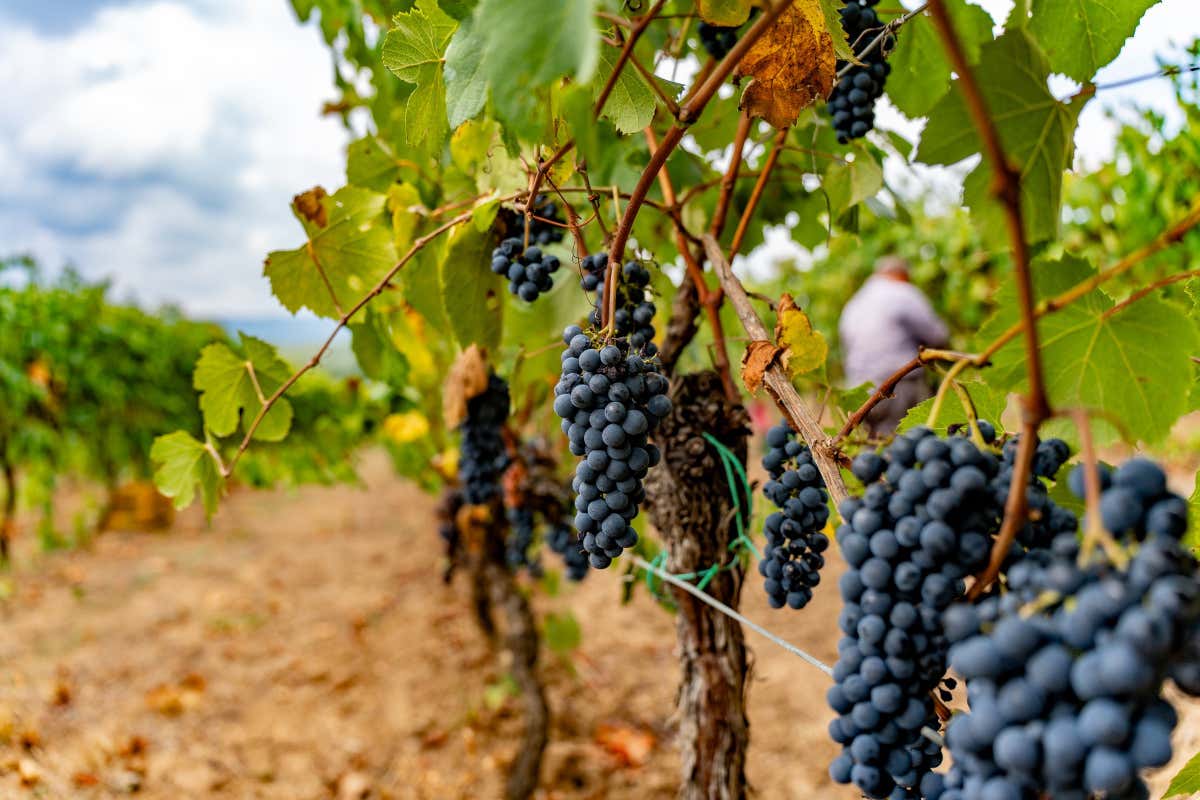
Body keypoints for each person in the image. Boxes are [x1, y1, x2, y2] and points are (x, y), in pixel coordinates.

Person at [838, 256, 949, 436]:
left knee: (875, 451)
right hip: (898, 387)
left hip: (860, 392)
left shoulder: (853, 304)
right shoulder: (903, 292)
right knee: (911, 445)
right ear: (902, 275)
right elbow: (936, 335)